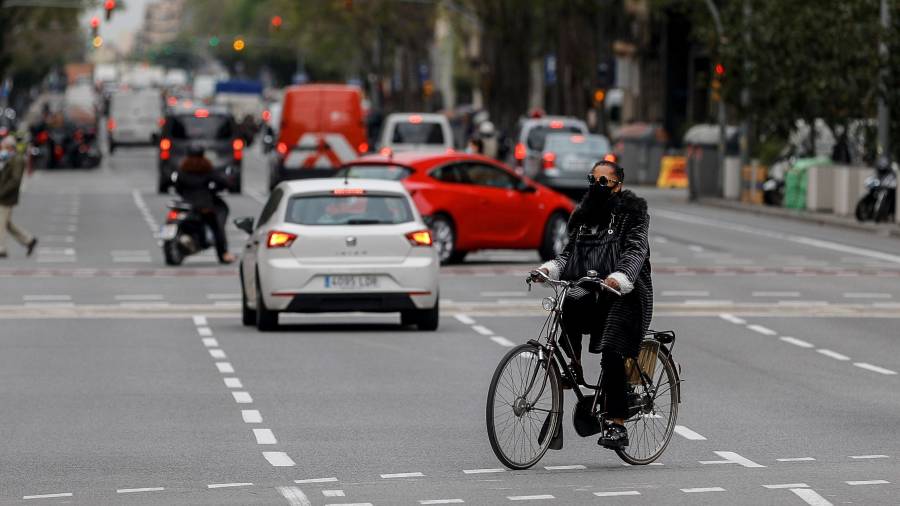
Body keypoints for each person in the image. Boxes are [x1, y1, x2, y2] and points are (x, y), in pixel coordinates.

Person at [533, 159, 652, 450]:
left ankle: (617, 424)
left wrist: (620, 277)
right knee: (568, 304)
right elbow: (568, 254)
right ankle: (573, 366)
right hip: (592, 291)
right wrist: (548, 271)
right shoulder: (583, 216)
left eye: (604, 182)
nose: (597, 187)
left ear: (617, 185)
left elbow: (636, 251)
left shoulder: (633, 214)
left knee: (612, 350)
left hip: (629, 294)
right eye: (593, 180)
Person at [174, 146, 235, 264]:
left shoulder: (182, 171)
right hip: (203, 205)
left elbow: (177, 187)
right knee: (217, 227)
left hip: (185, 204)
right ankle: (223, 254)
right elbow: (222, 182)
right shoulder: (206, 170)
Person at [0, 136, 38, 258]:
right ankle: (28, 240)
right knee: (7, 223)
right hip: (5, 195)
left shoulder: (17, 159)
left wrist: (1, 192)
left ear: (10, 147)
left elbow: (15, 180)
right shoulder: (10, 158)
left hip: (6, 197)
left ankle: (1, 249)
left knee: (1, 223)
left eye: (4, 146)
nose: (2, 149)